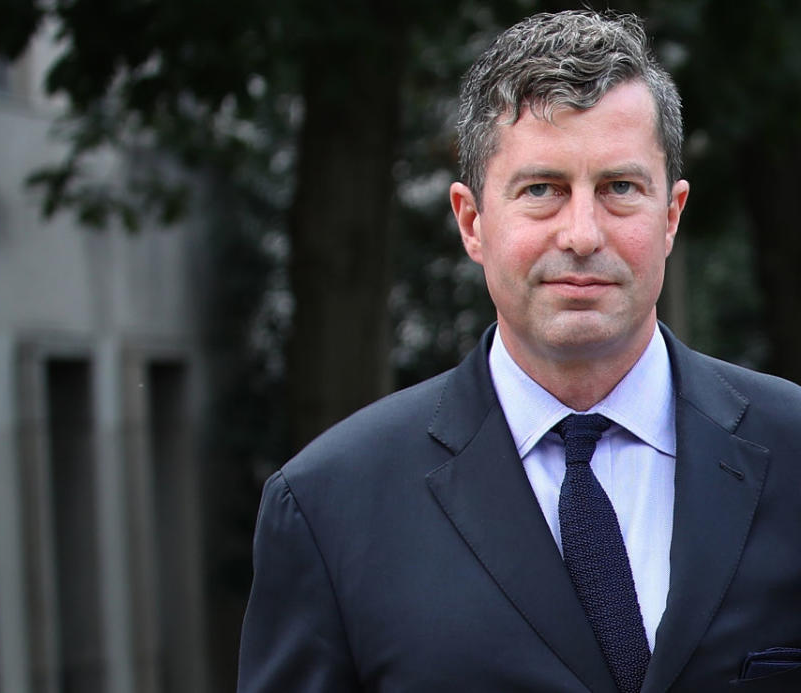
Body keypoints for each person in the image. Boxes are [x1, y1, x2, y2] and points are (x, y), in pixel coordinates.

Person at [237, 10, 801, 692]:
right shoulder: (329, 508)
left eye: (620, 188)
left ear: (672, 215)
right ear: (472, 221)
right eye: (543, 191)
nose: (583, 232)